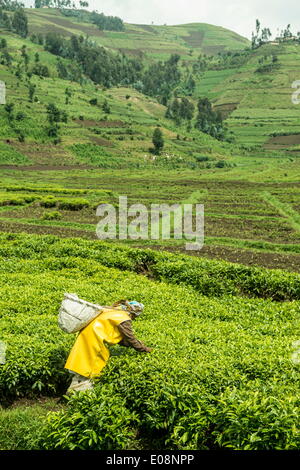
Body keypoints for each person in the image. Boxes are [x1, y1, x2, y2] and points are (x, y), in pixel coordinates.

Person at [65, 299, 152, 393]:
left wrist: (133, 344)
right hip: (94, 340)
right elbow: (130, 338)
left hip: (87, 336)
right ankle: (78, 394)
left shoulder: (114, 310)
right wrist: (145, 349)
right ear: (134, 313)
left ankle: (76, 391)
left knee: (83, 364)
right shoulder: (124, 318)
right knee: (89, 367)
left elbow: (117, 336)